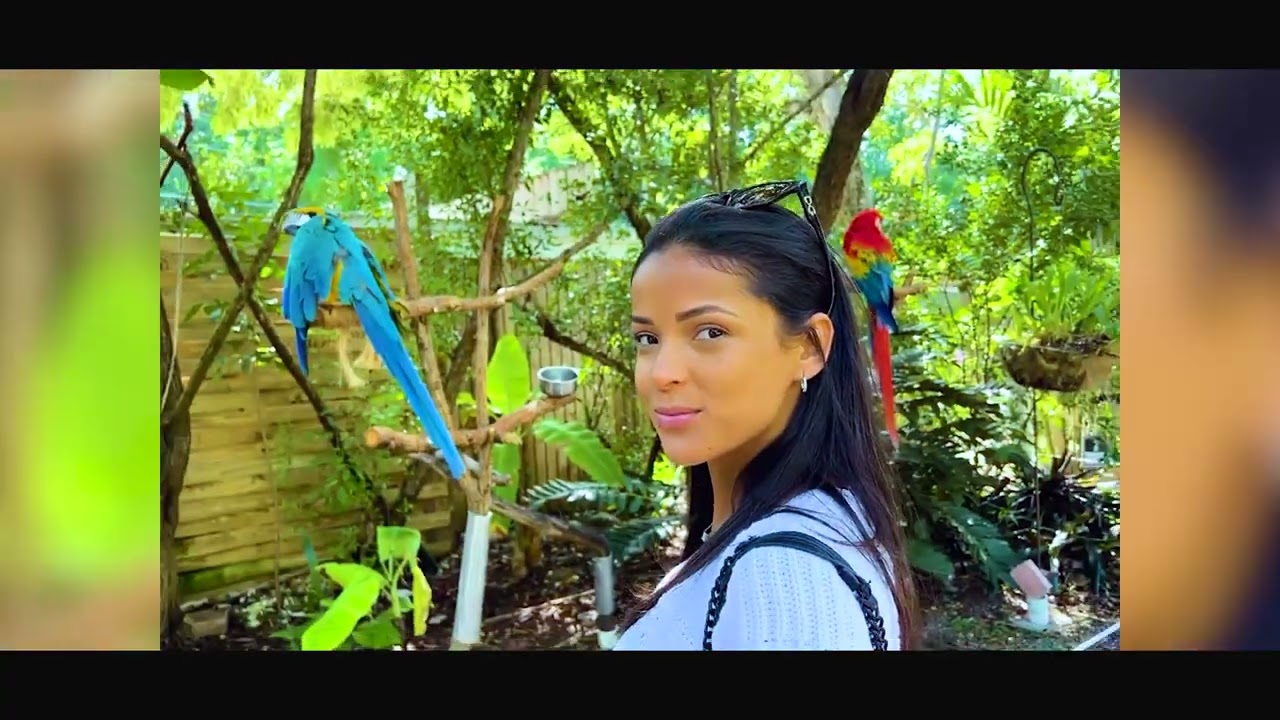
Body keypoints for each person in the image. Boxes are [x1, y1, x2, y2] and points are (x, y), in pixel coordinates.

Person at [611, 180, 919, 651]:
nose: (662, 373)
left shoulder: (786, 577)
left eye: (710, 331)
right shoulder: (811, 523)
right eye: (647, 339)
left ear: (810, 347)